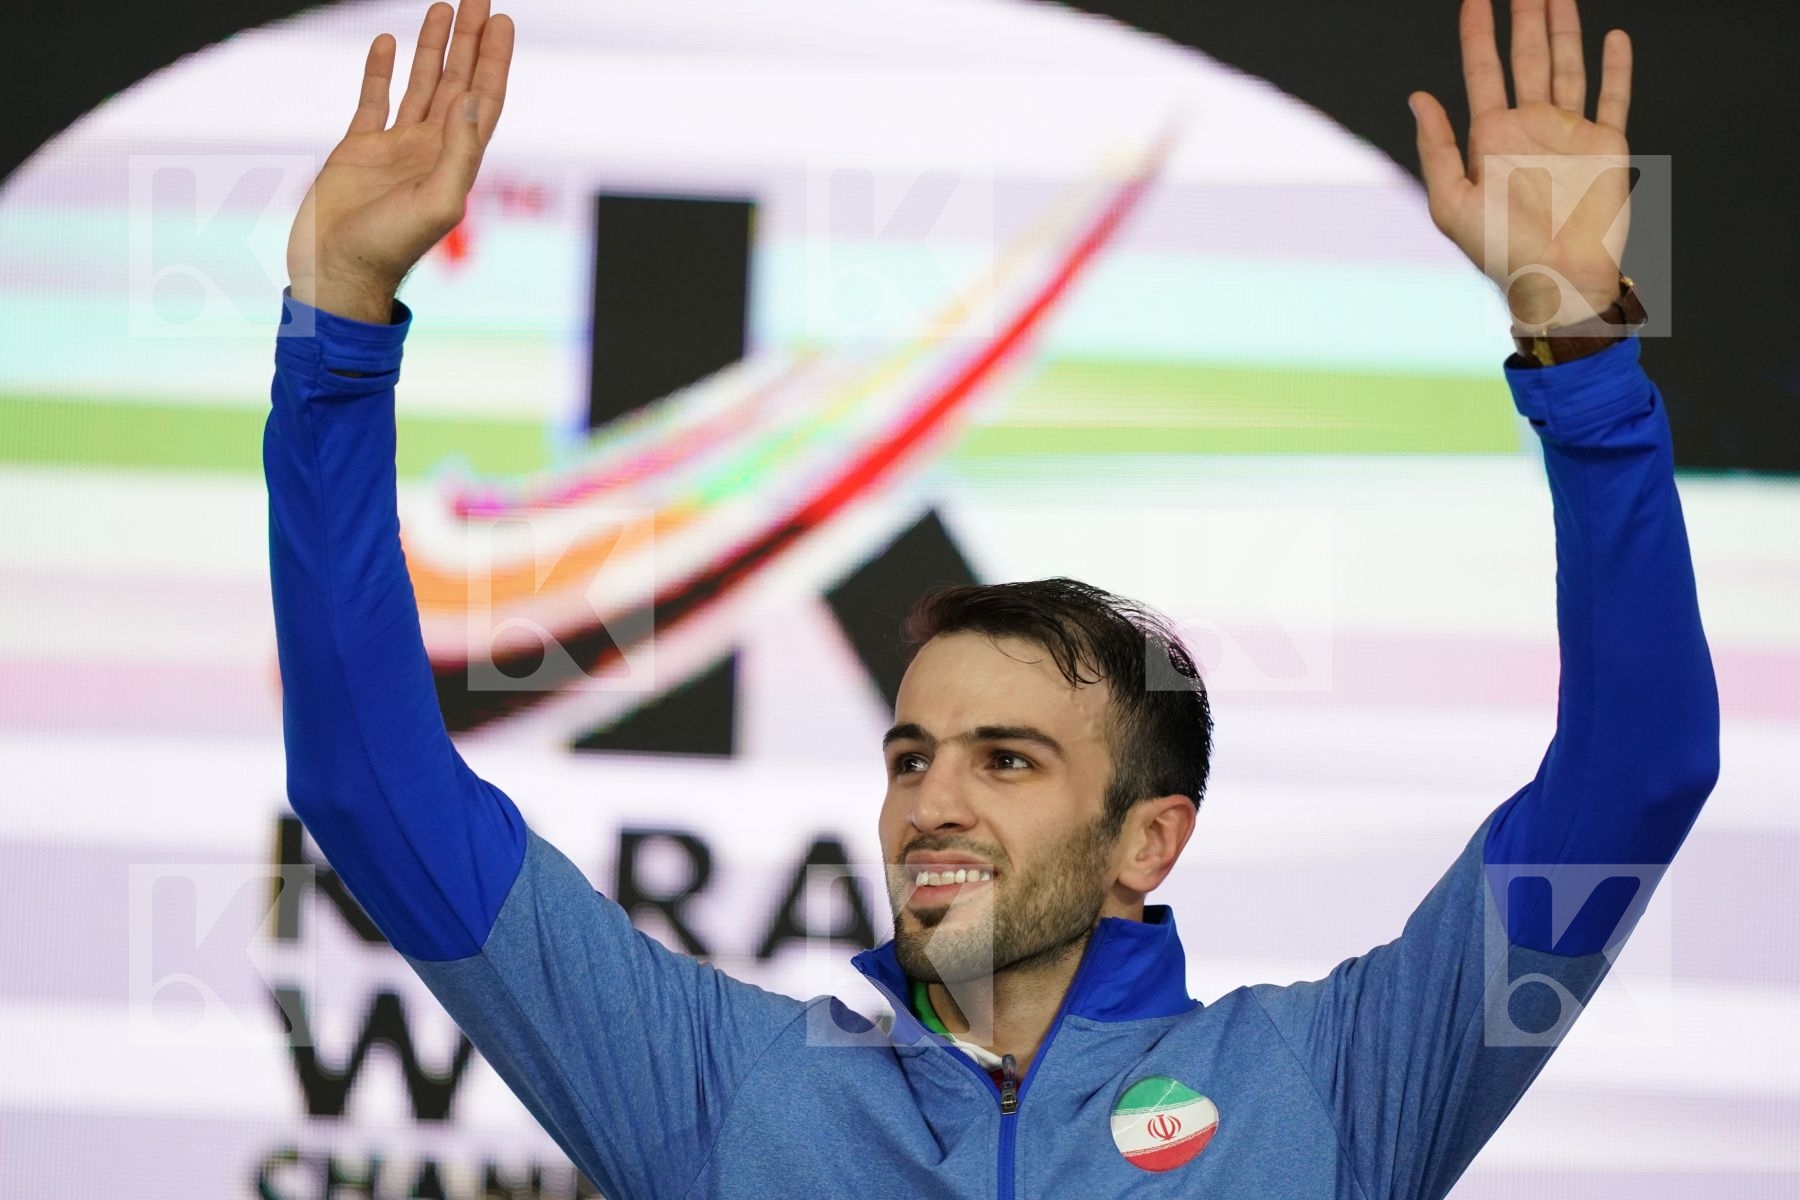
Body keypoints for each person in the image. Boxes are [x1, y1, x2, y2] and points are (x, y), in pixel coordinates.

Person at [264, 0, 1719, 1195]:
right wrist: (335, 331)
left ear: (1149, 839)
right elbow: (369, 788)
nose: (930, 801)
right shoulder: (729, 1096)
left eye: (1006, 759)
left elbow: (1638, 772)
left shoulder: (1331, 1087)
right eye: (911, 755)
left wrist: (1582, 349)